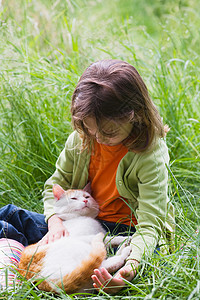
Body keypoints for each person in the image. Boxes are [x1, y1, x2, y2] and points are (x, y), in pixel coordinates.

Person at [0, 59, 175, 294]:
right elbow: (55, 184)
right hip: (78, 224)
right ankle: (33, 259)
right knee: (10, 215)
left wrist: (129, 271)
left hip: (127, 232)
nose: (99, 138)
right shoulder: (82, 139)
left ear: (135, 115)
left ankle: (103, 275)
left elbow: (150, 227)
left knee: (147, 257)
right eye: (91, 129)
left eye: (109, 131)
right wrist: (54, 224)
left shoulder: (150, 153)